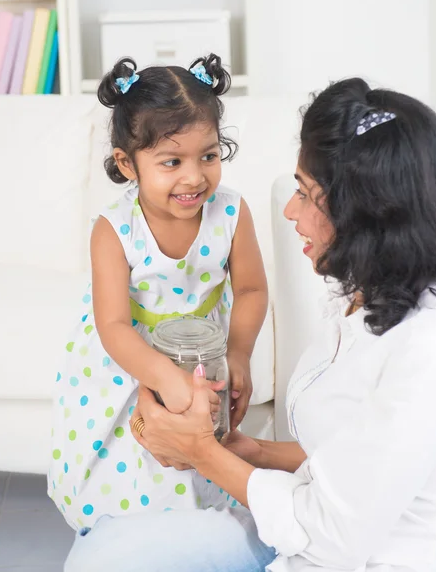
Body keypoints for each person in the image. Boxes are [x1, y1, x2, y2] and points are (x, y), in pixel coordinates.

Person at [129, 77, 436, 571]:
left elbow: (328, 534)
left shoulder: (435, 346)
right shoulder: (363, 299)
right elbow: (349, 462)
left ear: (369, 214)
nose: (290, 211)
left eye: (308, 195)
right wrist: (252, 451)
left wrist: (201, 453)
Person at [48, 53, 273, 571]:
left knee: (203, 453)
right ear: (128, 163)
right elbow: (112, 325)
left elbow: (253, 289)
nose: (194, 178)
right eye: (171, 162)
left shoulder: (232, 211)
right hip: (132, 361)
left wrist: (239, 354)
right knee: (140, 460)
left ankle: (199, 540)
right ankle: (128, 542)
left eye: (209, 156)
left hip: (205, 353)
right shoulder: (114, 227)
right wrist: (163, 378)